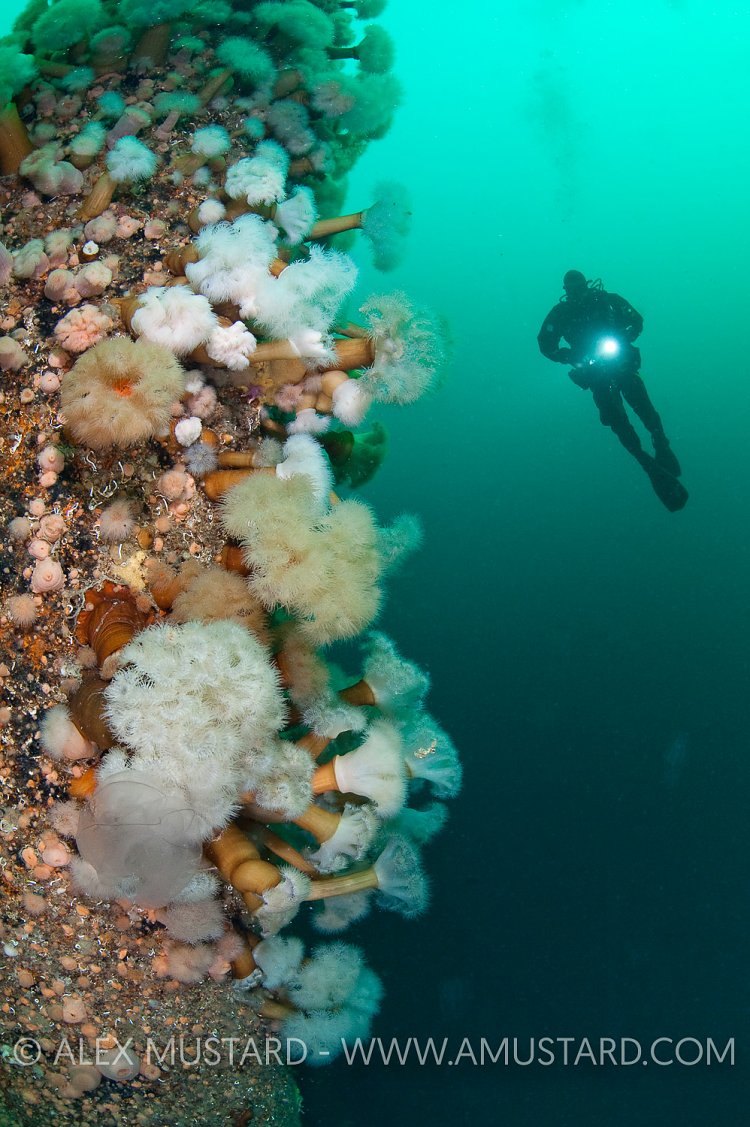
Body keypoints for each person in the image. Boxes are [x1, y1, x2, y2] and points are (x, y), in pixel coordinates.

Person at [537, 270, 688, 510]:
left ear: (587, 285)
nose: (576, 293)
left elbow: (636, 320)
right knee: (615, 419)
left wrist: (624, 337)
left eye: (579, 287)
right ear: (566, 291)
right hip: (593, 370)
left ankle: (660, 441)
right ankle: (643, 459)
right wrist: (571, 356)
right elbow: (545, 343)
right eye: (572, 289)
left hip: (621, 362)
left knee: (642, 404)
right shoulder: (561, 313)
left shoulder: (608, 301)